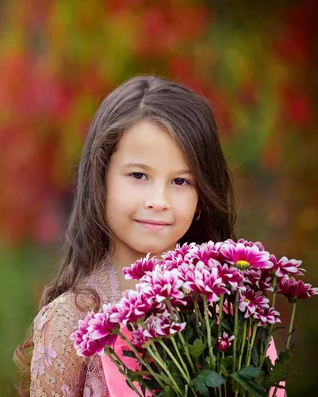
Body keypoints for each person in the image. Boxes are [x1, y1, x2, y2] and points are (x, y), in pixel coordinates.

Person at [15, 75, 237, 396]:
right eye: (138, 175)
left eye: (180, 181)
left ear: (202, 197)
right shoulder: (71, 321)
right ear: (101, 180)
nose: (158, 201)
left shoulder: (225, 312)